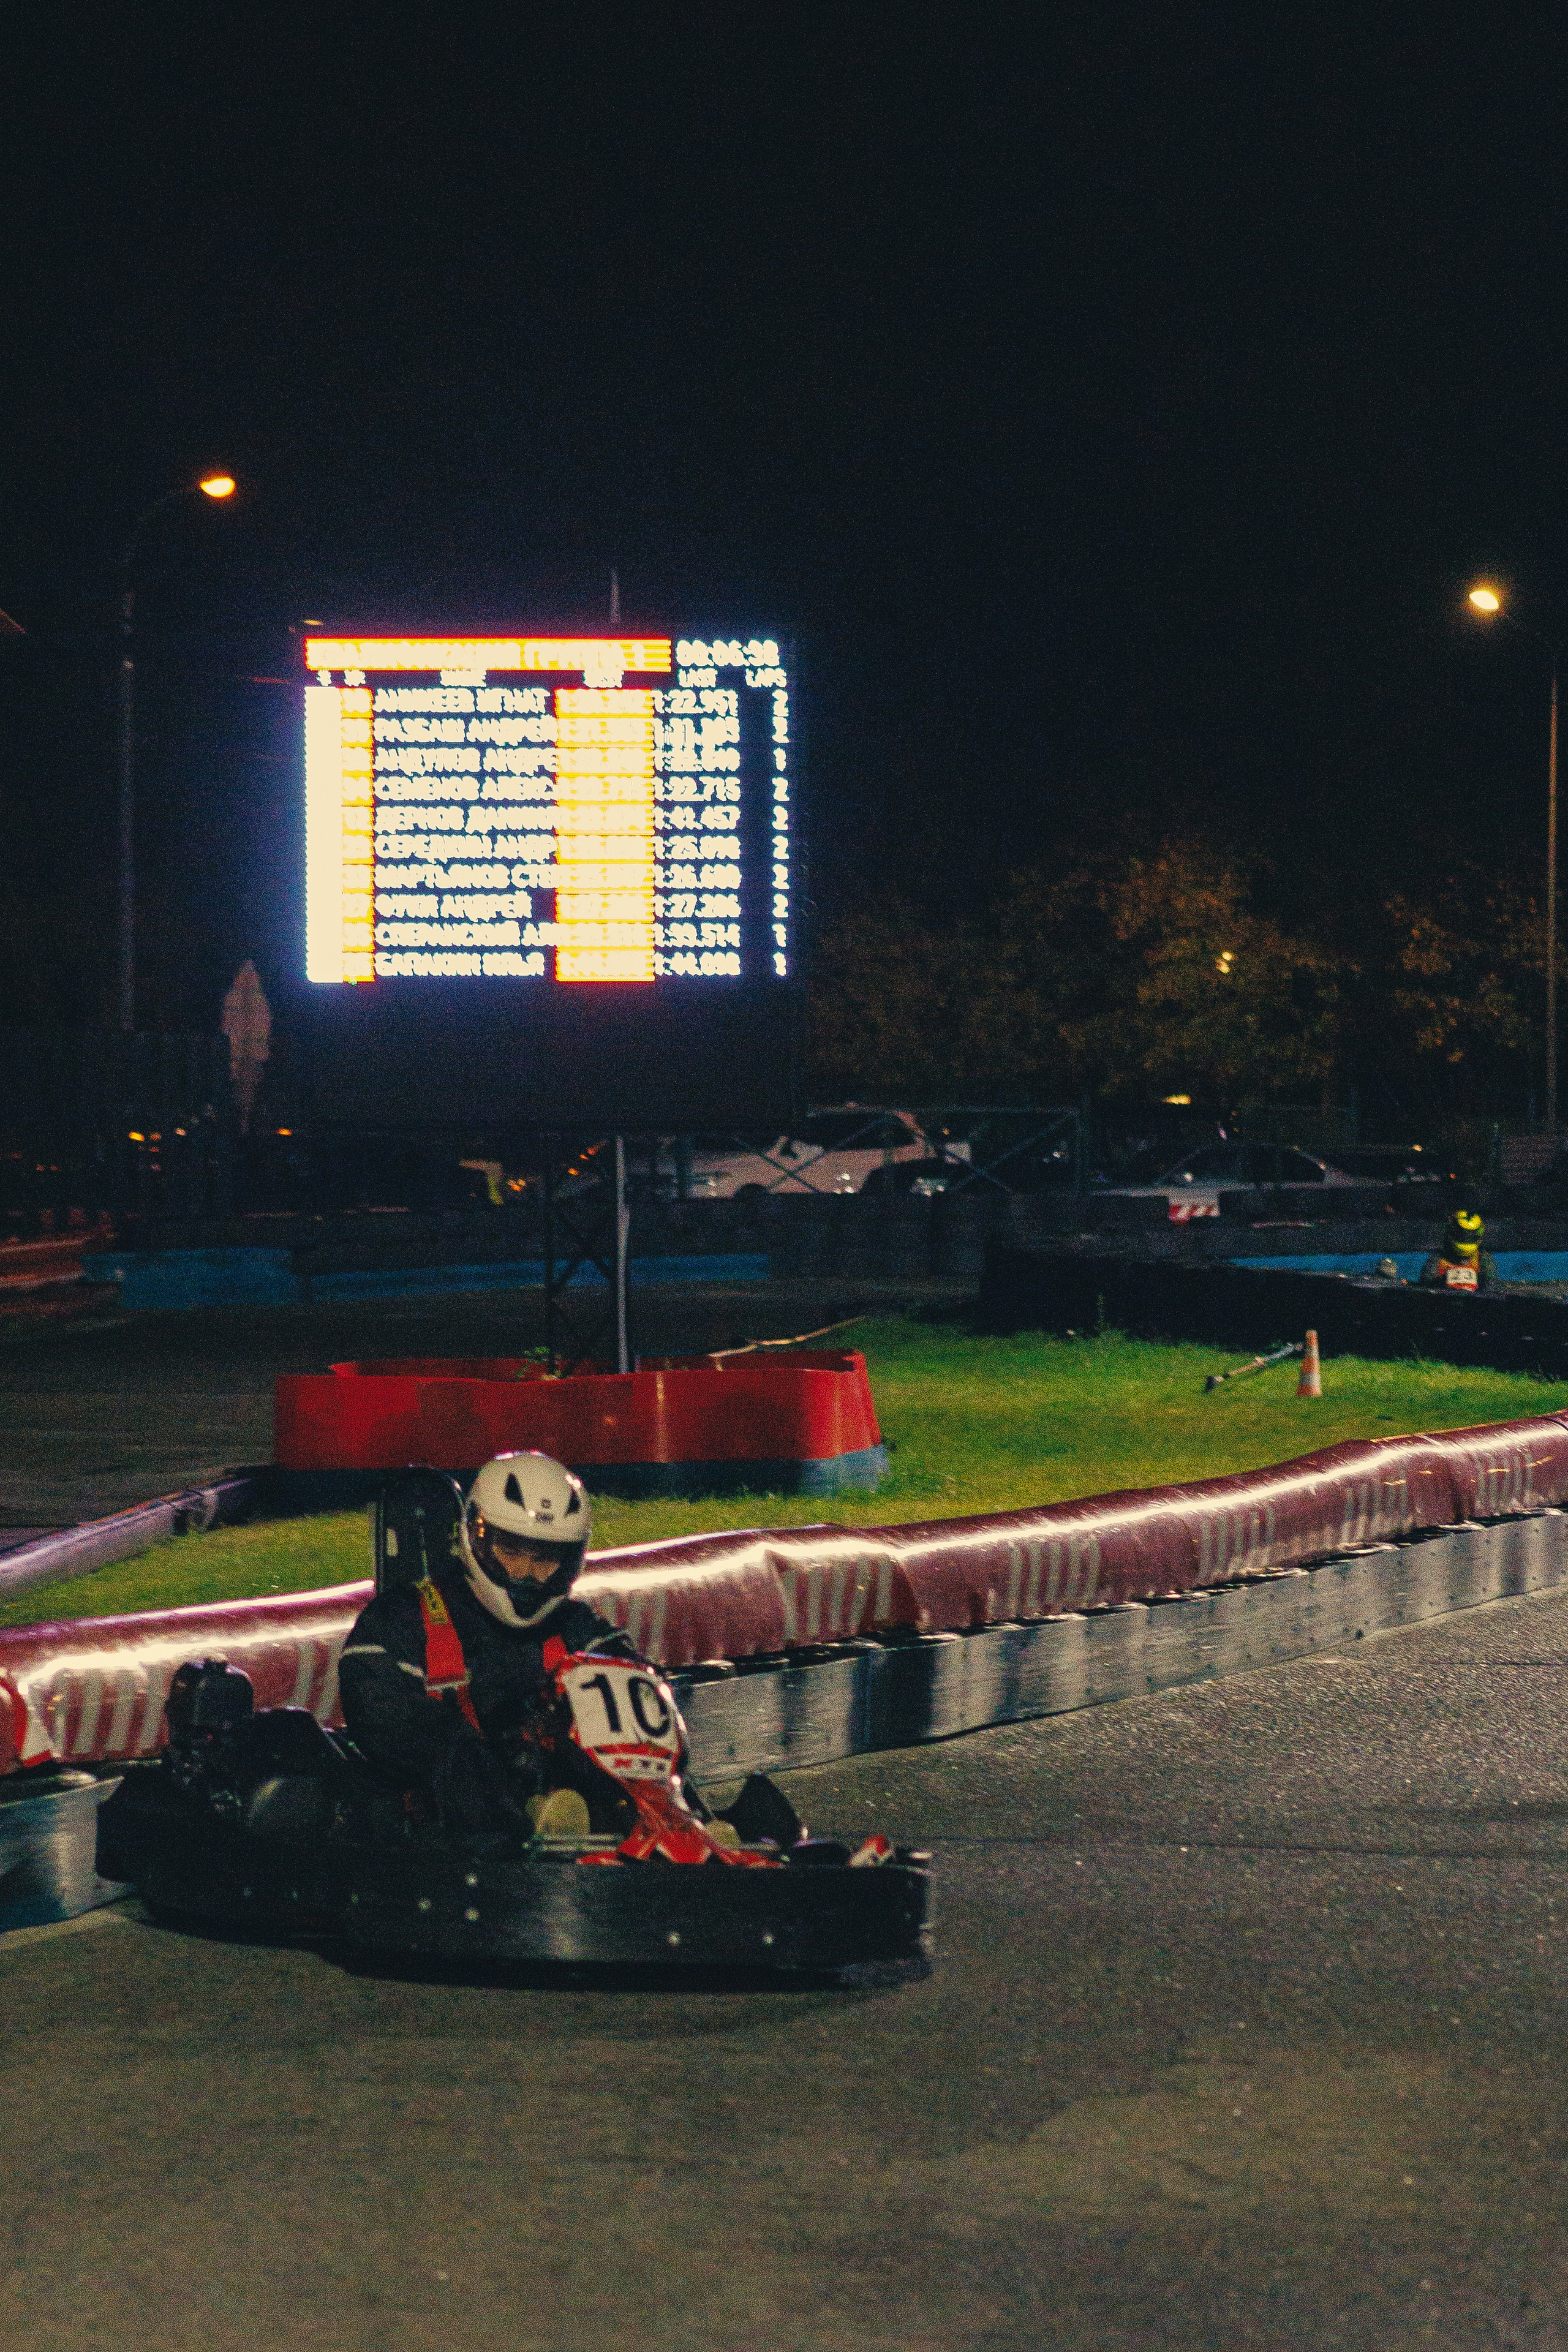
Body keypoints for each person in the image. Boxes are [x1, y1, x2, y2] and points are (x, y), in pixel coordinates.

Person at [338, 1450, 638, 1839]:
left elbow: (641, 1712)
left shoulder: (581, 1630)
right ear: (474, 1537)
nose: (527, 1575)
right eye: (512, 1551)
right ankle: (528, 1823)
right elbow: (382, 1720)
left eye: (546, 1558)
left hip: (572, 1816)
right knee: (446, 1746)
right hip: (450, 1845)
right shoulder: (401, 1622)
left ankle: (682, 1831)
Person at [1417, 1208, 1498, 1294]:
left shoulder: (1483, 1259)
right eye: (1463, 1236)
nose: (1466, 1239)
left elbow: (1491, 1289)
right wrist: (1441, 1281)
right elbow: (1426, 1287)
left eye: (1470, 1237)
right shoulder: (1438, 1259)